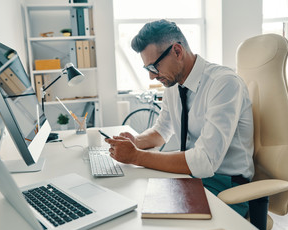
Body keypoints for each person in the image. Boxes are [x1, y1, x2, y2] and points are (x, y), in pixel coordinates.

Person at [105, 19, 254, 217]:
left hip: (228, 187)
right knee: (131, 205)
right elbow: (160, 132)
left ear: (177, 51)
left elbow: (204, 161)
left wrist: (136, 156)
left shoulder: (224, 84)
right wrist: (136, 142)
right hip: (191, 178)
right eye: (148, 69)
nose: (151, 77)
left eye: (154, 67)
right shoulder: (173, 85)